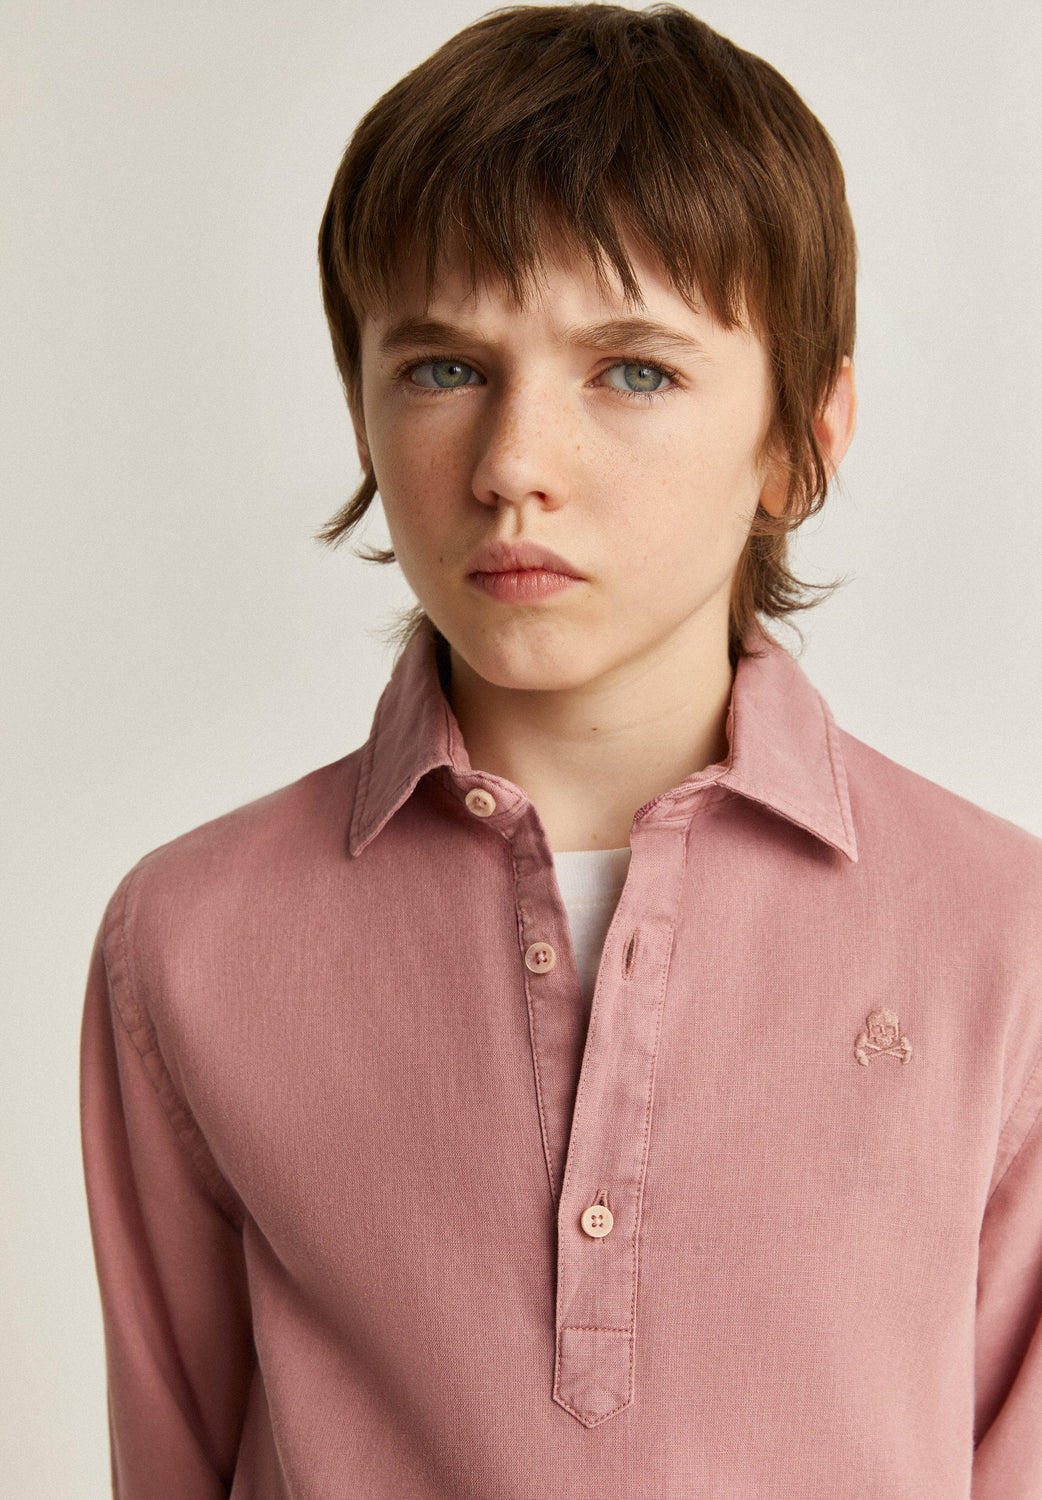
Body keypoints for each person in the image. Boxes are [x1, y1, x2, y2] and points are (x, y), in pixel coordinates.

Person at [79, 5, 1042, 1496]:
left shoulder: (1004, 940)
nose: (516, 464)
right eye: (441, 369)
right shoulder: (192, 939)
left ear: (801, 438)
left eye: (633, 371)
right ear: (360, 409)